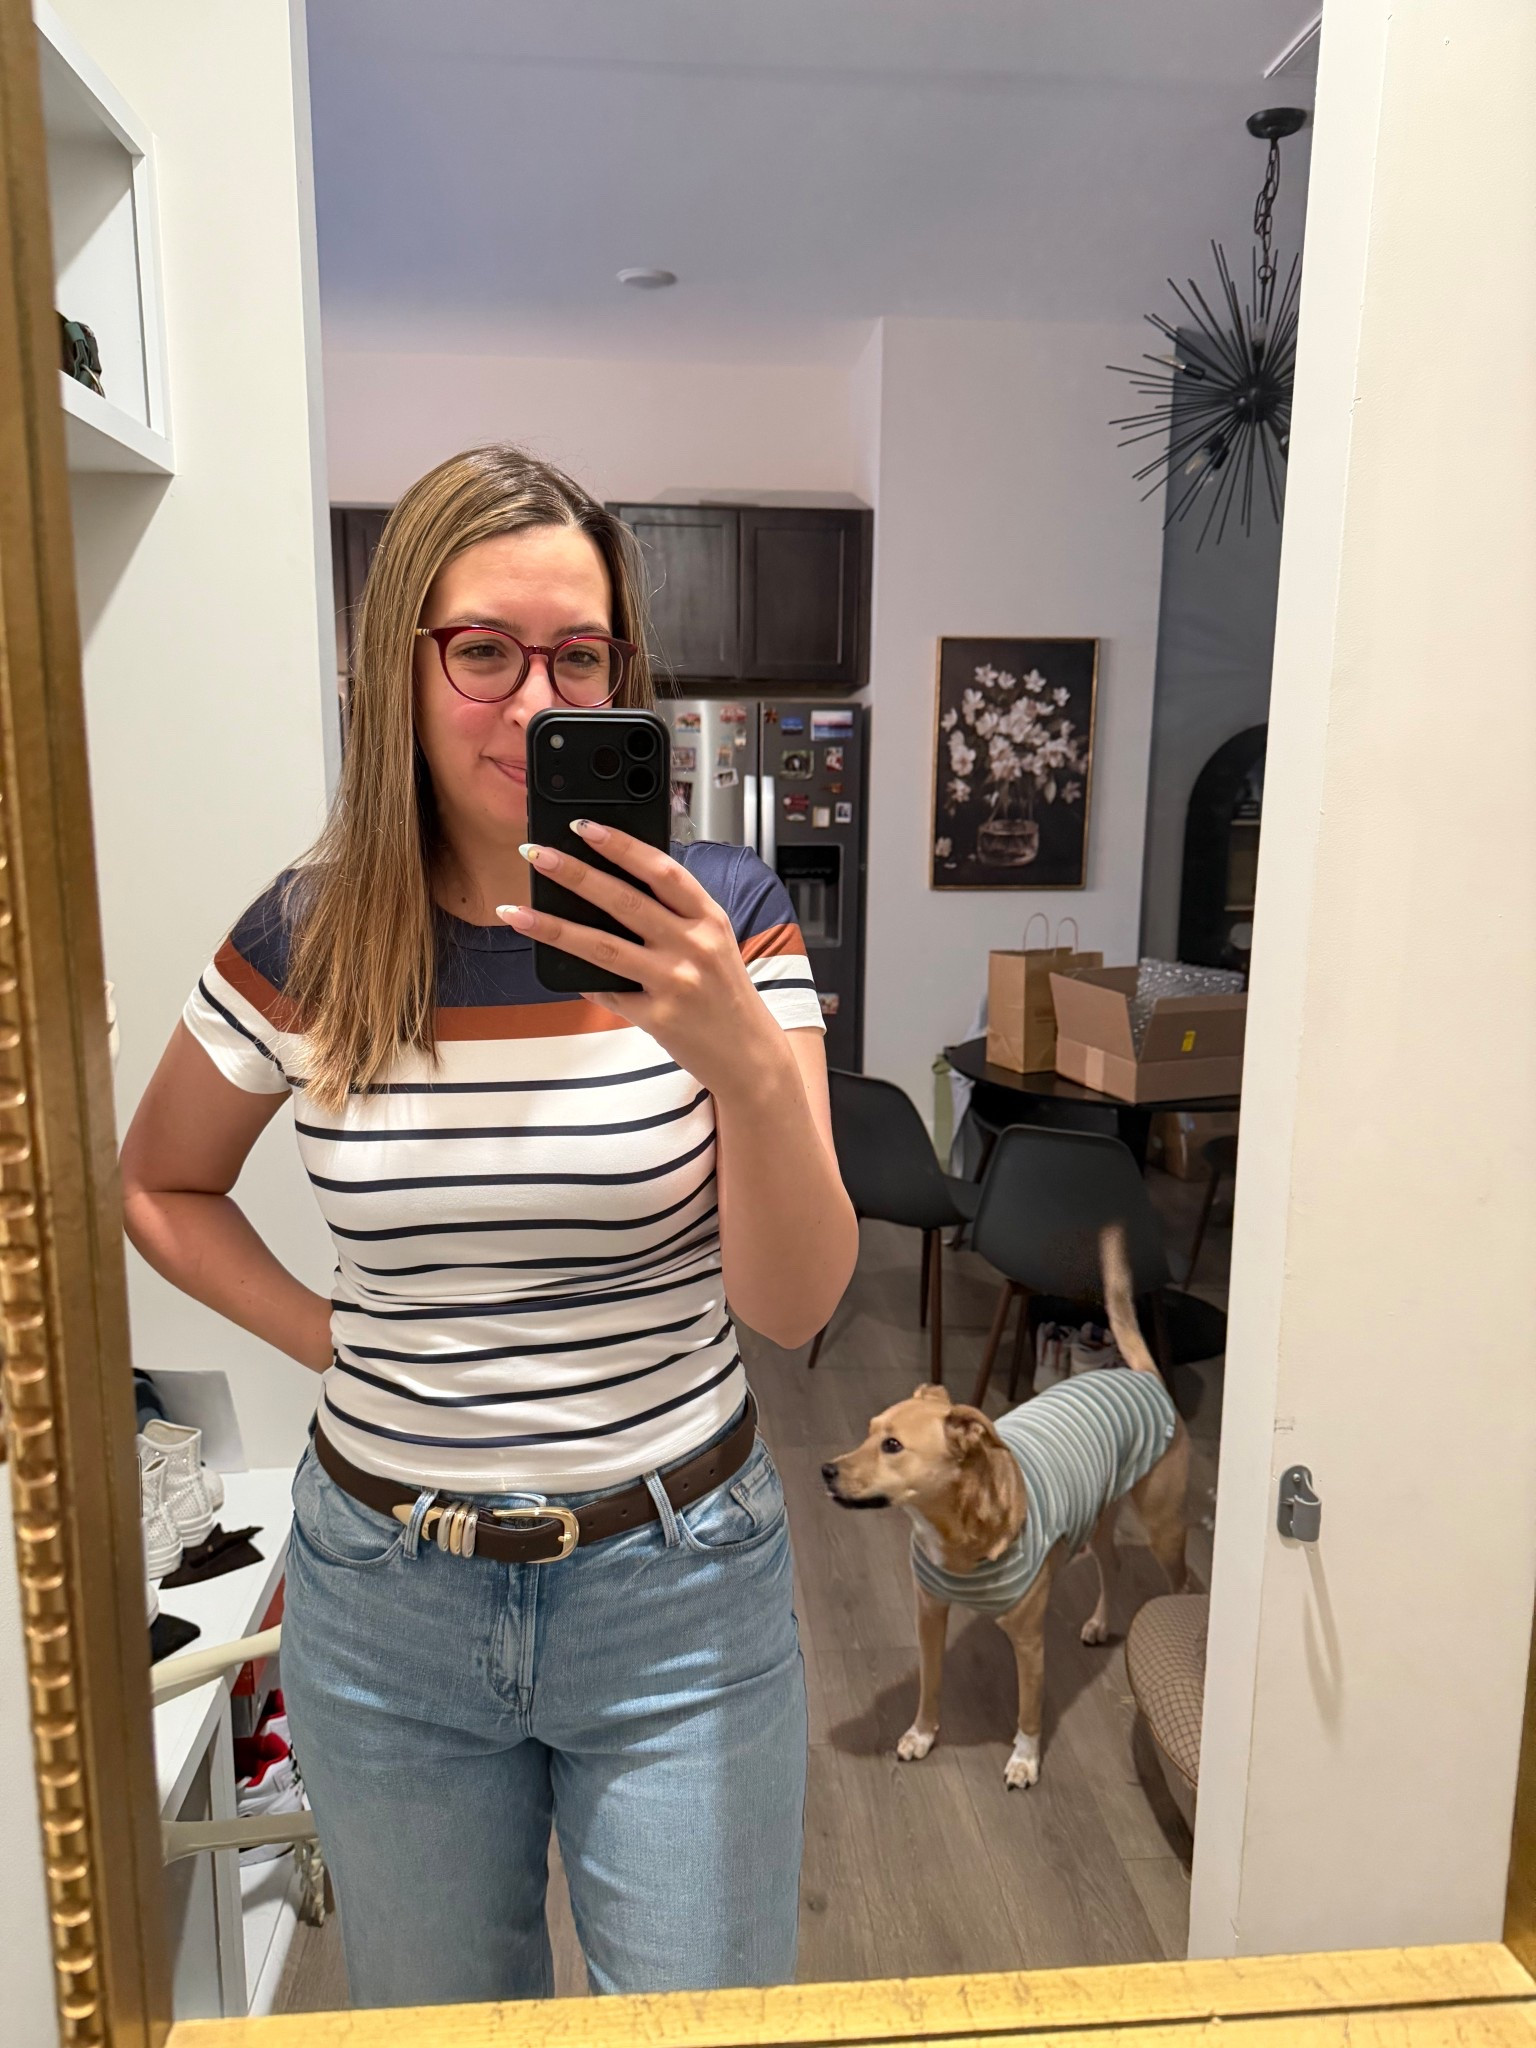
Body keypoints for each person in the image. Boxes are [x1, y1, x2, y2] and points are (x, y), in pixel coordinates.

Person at [120, 445, 859, 2006]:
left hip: (678, 1588)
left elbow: (795, 1303)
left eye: (577, 655)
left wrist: (742, 1060)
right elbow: (158, 1184)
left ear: (619, 675)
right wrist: (333, 1335)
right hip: (383, 1605)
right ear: (400, 663)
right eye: (483, 652)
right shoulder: (310, 933)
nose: (533, 701)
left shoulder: (724, 918)